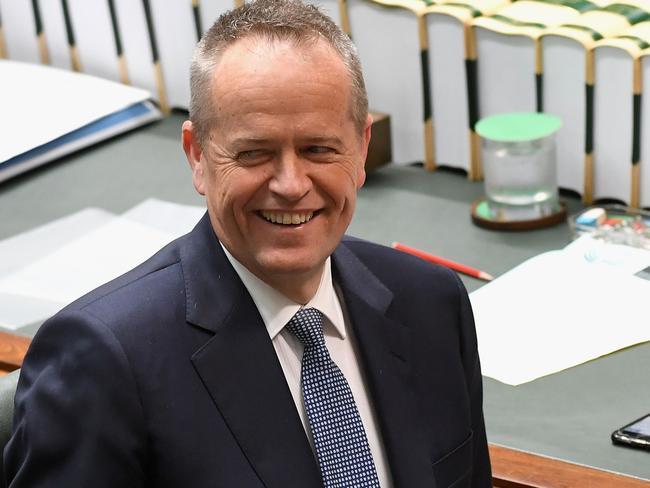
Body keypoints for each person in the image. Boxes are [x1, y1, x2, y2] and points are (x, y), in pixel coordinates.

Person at [4, 0, 491, 486]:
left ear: (362, 148)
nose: (291, 184)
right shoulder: (104, 363)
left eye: (318, 149)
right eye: (255, 152)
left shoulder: (432, 304)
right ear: (197, 156)